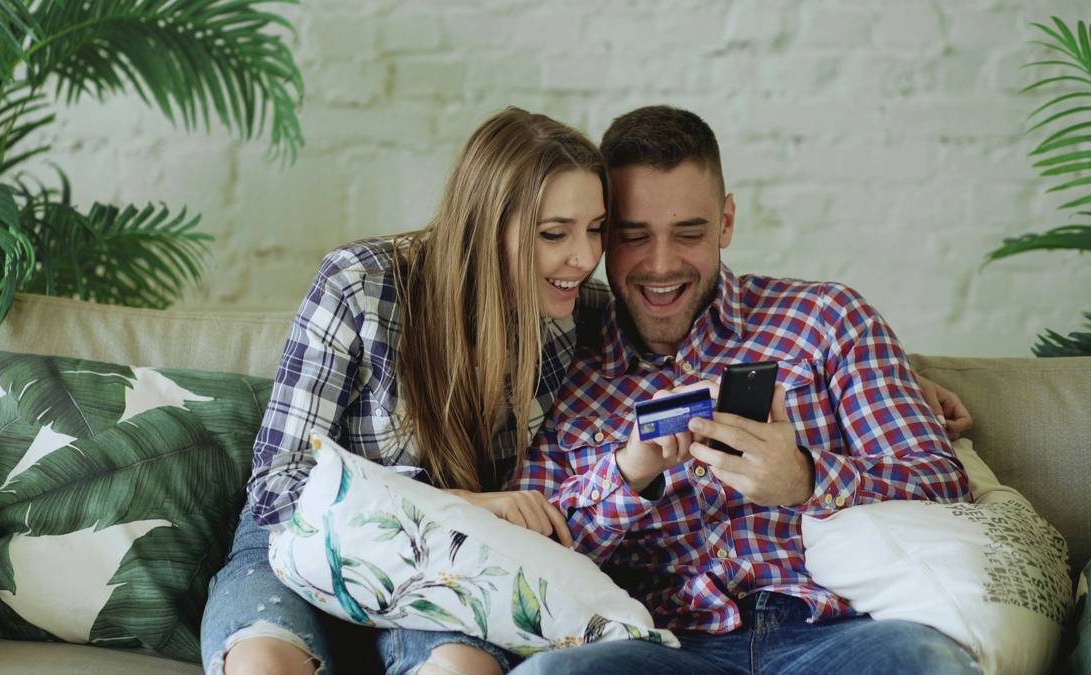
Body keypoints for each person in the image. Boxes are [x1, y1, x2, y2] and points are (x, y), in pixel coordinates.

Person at [509, 106, 979, 675]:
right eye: (634, 236)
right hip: (664, 648)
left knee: (925, 661)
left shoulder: (827, 320)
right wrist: (625, 478)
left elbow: (942, 482)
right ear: (604, 235)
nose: (661, 265)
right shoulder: (566, 366)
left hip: (836, 635)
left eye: (690, 233)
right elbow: (530, 559)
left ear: (726, 222)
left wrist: (806, 479)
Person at [200, 107, 611, 675]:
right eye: (553, 234)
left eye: (596, 229)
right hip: (307, 547)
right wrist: (463, 505)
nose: (586, 258)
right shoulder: (360, 285)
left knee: (462, 670)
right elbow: (278, 488)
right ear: (484, 225)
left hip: (449, 568)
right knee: (263, 664)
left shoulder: (587, 317)